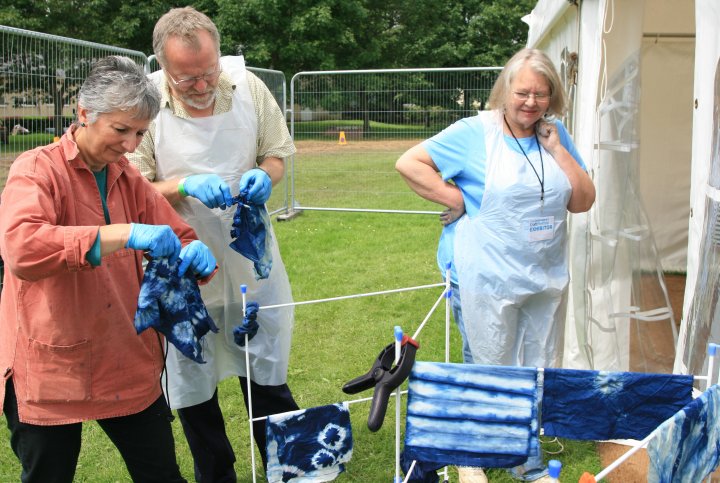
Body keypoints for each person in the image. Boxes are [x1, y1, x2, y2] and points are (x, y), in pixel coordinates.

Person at [0, 55, 218, 483]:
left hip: (125, 357)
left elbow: (179, 235)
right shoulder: (36, 169)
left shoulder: (127, 177)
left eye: (140, 133)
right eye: (121, 130)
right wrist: (124, 235)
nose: (131, 145)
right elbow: (22, 249)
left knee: (161, 474)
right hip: (51, 362)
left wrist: (195, 254)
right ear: (84, 114)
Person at [396, 48, 595, 482]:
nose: (530, 102)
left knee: (535, 367)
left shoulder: (554, 132)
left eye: (541, 94)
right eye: (522, 92)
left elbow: (582, 201)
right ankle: (474, 456)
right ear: (505, 91)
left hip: (543, 273)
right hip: (485, 274)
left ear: (552, 97)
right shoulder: (474, 132)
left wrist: (559, 150)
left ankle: (527, 460)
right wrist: (456, 198)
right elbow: (409, 162)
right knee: (488, 366)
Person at [127, 7, 298, 481]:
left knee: (264, 366)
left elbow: (276, 151)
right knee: (192, 377)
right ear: (163, 65)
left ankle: (290, 464)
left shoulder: (249, 88)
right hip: (182, 259)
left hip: (251, 259)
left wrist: (264, 174)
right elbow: (132, 185)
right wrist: (182, 186)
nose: (201, 86)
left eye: (208, 72)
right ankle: (216, 471)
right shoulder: (145, 100)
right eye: (187, 79)